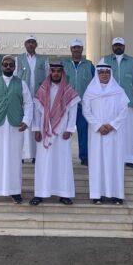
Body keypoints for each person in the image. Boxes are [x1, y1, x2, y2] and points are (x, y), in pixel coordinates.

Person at [0, 56, 33, 204]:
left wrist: (26, 121)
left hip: (16, 127)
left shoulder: (21, 84)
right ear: (1, 67)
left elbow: (28, 103)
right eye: (5, 65)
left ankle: (15, 191)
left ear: (14, 67)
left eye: (11, 65)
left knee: (14, 159)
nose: (8, 67)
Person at [30, 62, 80, 206]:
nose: (56, 73)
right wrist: (36, 129)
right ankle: (40, 193)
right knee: (43, 163)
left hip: (61, 132)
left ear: (62, 73)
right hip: (45, 131)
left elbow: (73, 112)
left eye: (58, 71)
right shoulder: (42, 89)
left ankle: (64, 194)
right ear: (50, 72)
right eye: (53, 71)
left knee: (62, 163)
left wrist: (70, 129)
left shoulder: (69, 91)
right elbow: (36, 111)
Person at [82, 64, 129, 205]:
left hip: (114, 134)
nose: (104, 75)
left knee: (115, 162)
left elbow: (124, 111)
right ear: (97, 74)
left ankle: (116, 195)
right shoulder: (90, 91)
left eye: (107, 72)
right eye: (101, 72)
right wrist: (98, 126)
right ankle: (97, 195)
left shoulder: (118, 91)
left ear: (110, 74)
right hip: (97, 134)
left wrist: (111, 125)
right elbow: (86, 111)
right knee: (97, 163)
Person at [101, 38, 133, 169]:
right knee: (111, 131)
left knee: (131, 132)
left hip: (130, 103)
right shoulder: (104, 61)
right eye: (116, 45)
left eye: (120, 45)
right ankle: (112, 158)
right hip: (109, 103)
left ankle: (131, 158)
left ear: (124, 46)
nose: (118, 47)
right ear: (112, 47)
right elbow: (97, 81)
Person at [16, 35, 49, 163]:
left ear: (36, 44)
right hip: (23, 98)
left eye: (33, 42)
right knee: (24, 125)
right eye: (28, 42)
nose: (30, 44)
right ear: (25, 44)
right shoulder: (18, 59)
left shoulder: (43, 59)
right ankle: (22, 155)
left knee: (37, 125)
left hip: (38, 97)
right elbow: (15, 76)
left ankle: (36, 155)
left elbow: (47, 77)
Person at [62, 38, 95, 166]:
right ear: (71, 49)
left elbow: (95, 84)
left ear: (82, 49)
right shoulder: (64, 64)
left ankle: (84, 156)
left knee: (83, 131)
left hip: (82, 105)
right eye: (74, 47)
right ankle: (64, 156)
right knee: (64, 130)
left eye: (78, 47)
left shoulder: (89, 65)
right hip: (66, 104)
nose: (76, 49)